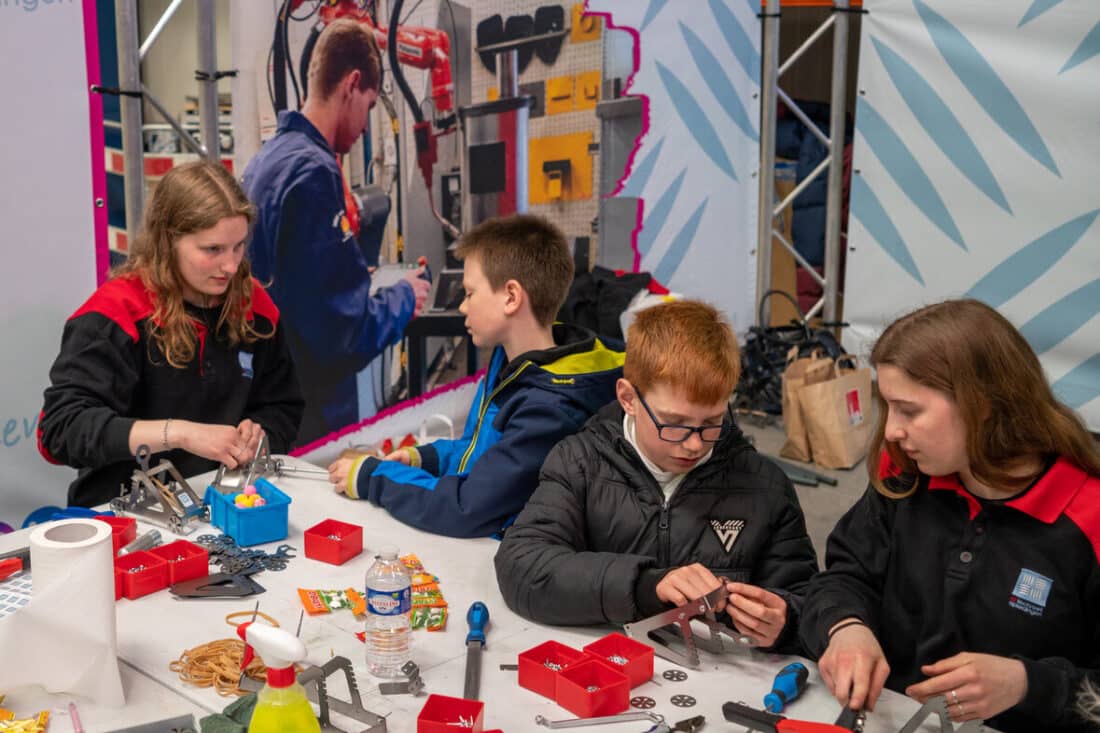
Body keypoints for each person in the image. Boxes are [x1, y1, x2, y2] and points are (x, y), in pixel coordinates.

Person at [800, 299, 1100, 732]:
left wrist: (1027, 685)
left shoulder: (1088, 518)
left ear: (981, 404)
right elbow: (847, 575)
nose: (891, 432)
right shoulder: (904, 475)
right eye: (888, 407)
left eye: (910, 410)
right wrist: (846, 628)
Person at [494, 300, 819, 651]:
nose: (694, 444)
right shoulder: (580, 463)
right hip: (606, 673)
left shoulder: (764, 486)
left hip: (723, 685)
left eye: (711, 422)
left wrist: (787, 622)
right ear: (628, 398)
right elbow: (522, 565)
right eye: (674, 423)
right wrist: (644, 586)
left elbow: (810, 600)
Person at [327, 214, 624, 538]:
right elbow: (480, 454)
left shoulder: (549, 409)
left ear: (511, 297)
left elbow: (467, 507)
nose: (463, 307)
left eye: (470, 293)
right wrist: (426, 458)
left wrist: (371, 476)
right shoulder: (513, 364)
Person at [38, 161, 304, 508]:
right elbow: (60, 431)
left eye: (238, 246)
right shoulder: (116, 314)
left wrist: (260, 435)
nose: (231, 266)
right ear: (169, 241)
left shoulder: (255, 307)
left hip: (223, 504)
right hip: (122, 514)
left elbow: (283, 405)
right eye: (212, 250)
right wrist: (181, 435)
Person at [243, 18, 431, 445]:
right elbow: (342, 337)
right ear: (352, 84)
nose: (365, 125)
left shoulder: (268, 158)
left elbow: (298, 281)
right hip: (308, 408)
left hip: (268, 394)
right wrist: (404, 298)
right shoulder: (315, 172)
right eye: (367, 106)